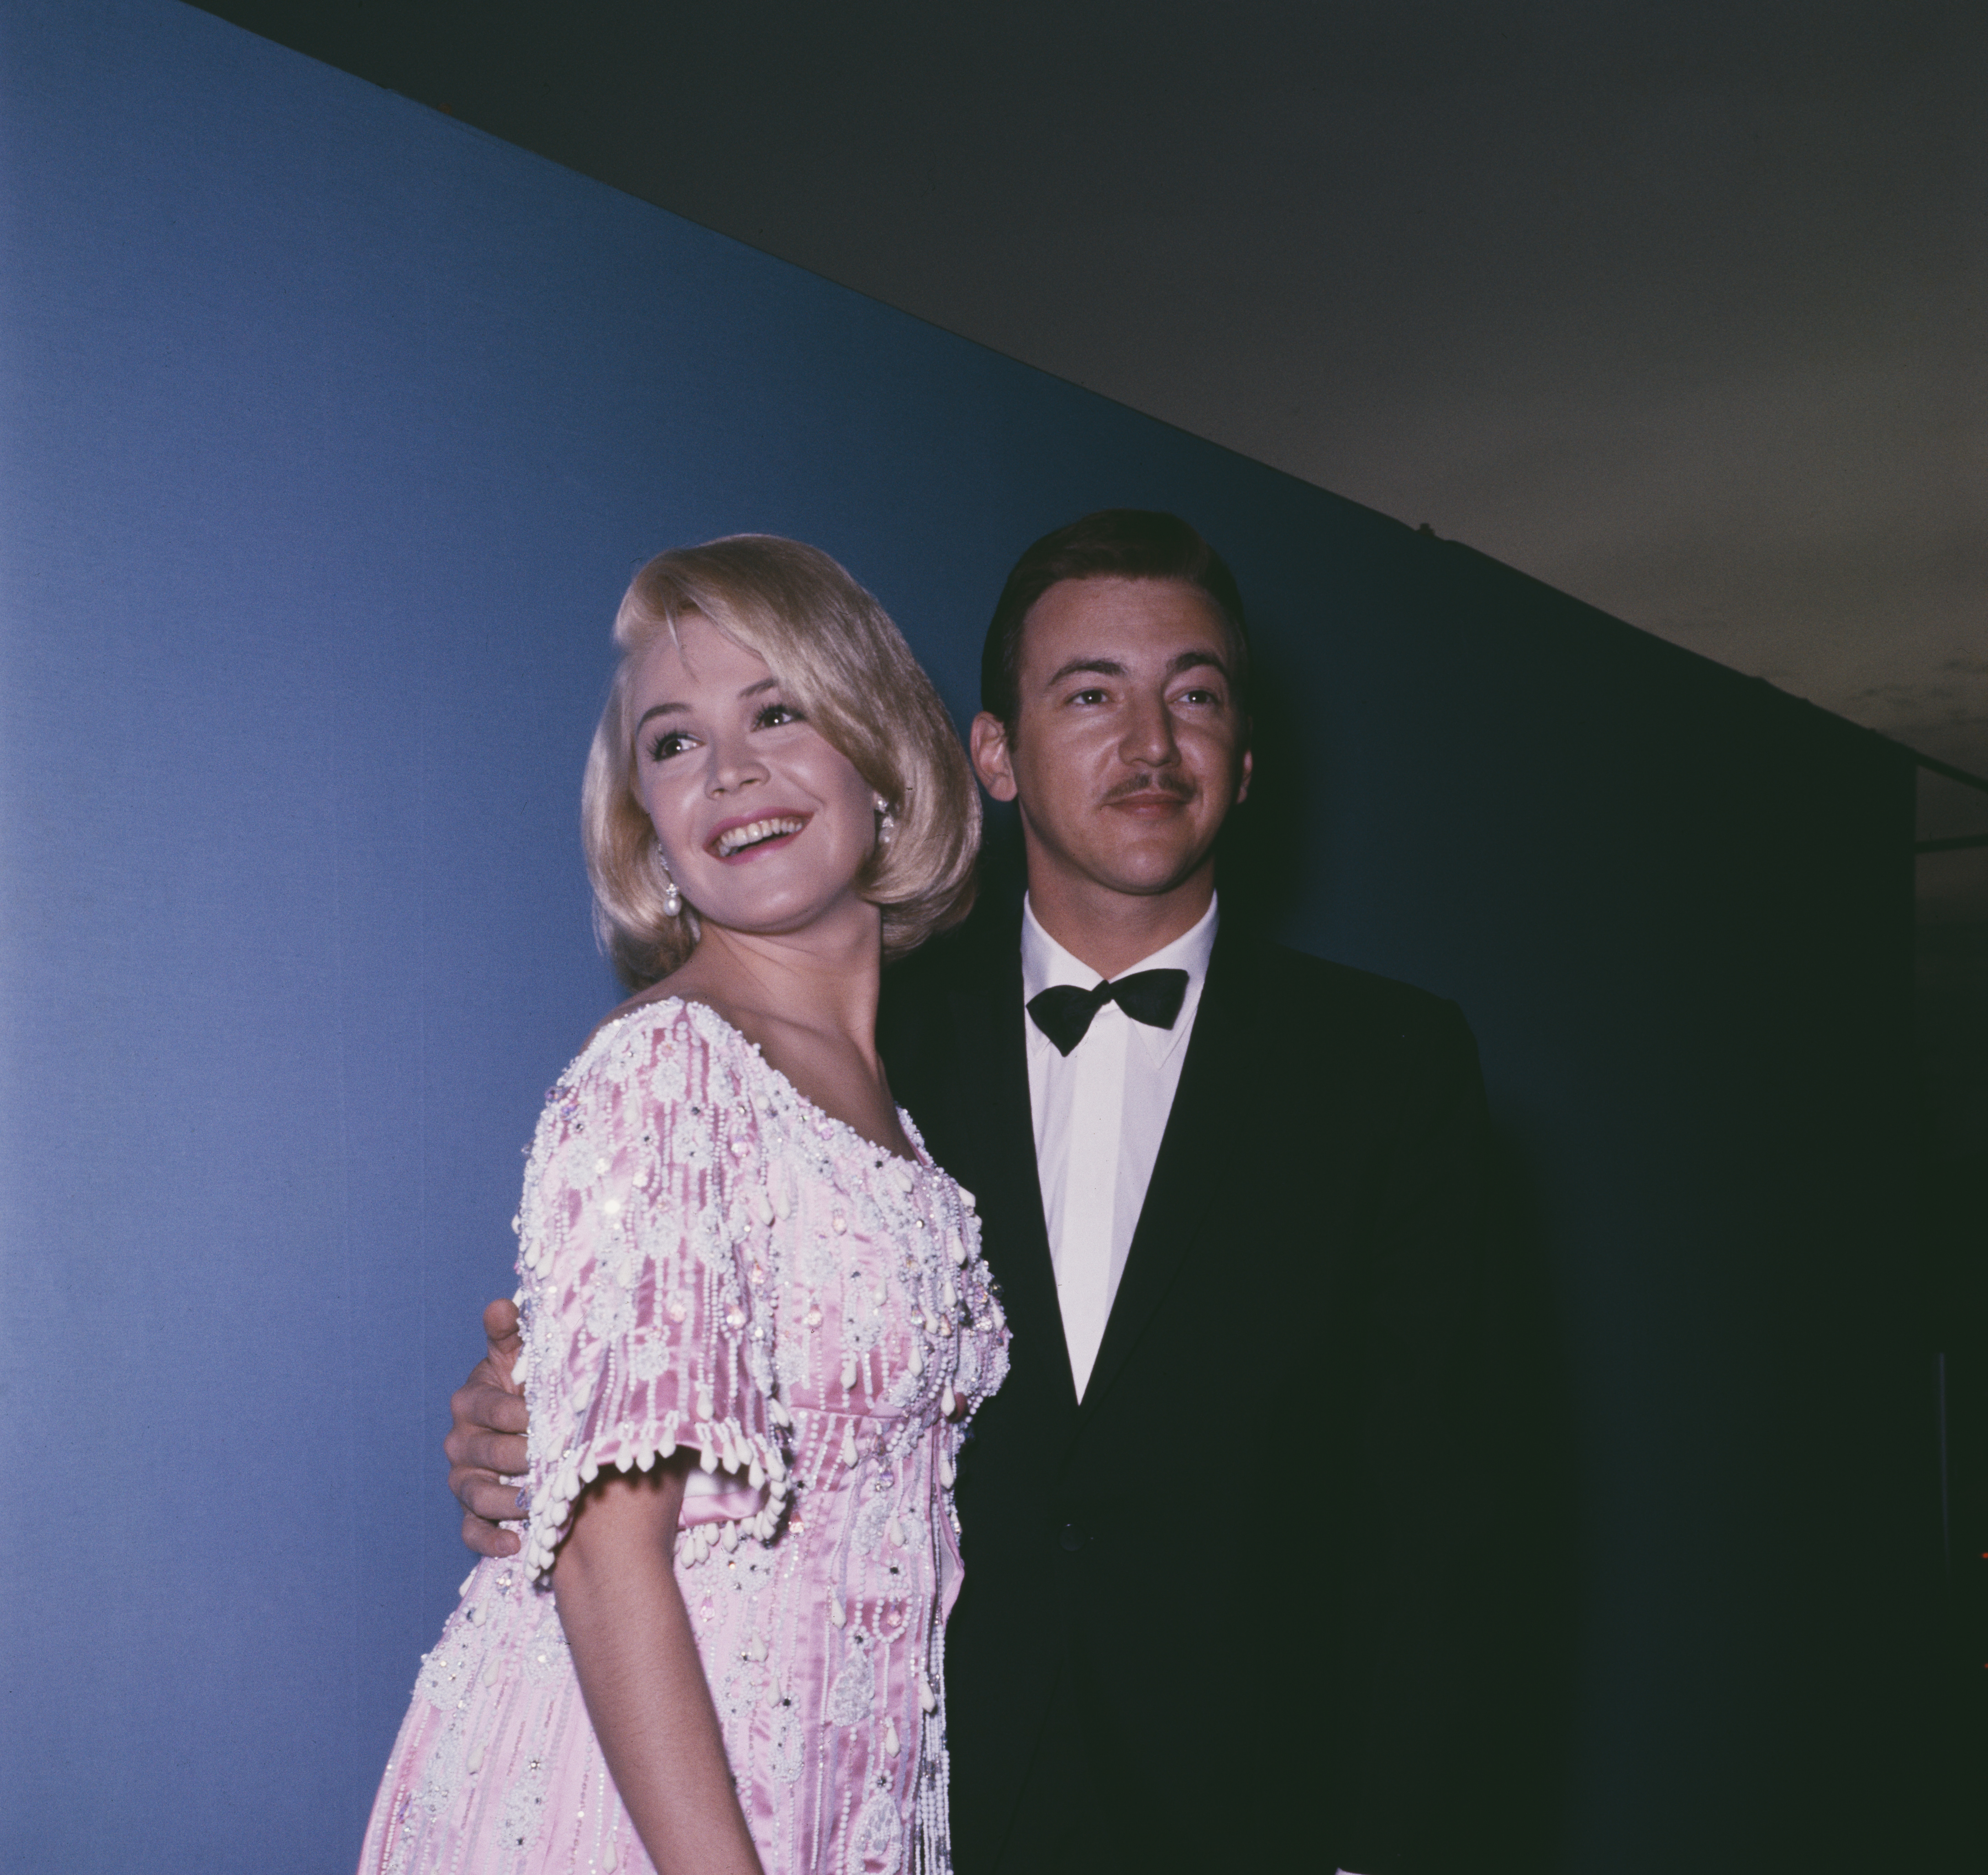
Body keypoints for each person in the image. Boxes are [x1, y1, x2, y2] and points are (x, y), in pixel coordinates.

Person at [449, 511, 1493, 1874]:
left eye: (1193, 693)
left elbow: (1446, 1511)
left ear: (1245, 760)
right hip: (918, 1801)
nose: (1148, 742)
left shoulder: (1390, 1066)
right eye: (1088, 694)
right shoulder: (849, 1052)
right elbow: (640, 1432)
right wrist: (522, 1435)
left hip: (1242, 1815)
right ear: (989, 752)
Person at [362, 536, 1008, 1875]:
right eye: (674, 741)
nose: (731, 772)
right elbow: (608, 1554)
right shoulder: (663, 1069)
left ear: (881, 757)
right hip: (647, 1817)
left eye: (776, 711)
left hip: (848, 1800)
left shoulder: (902, 1126)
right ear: (643, 827)